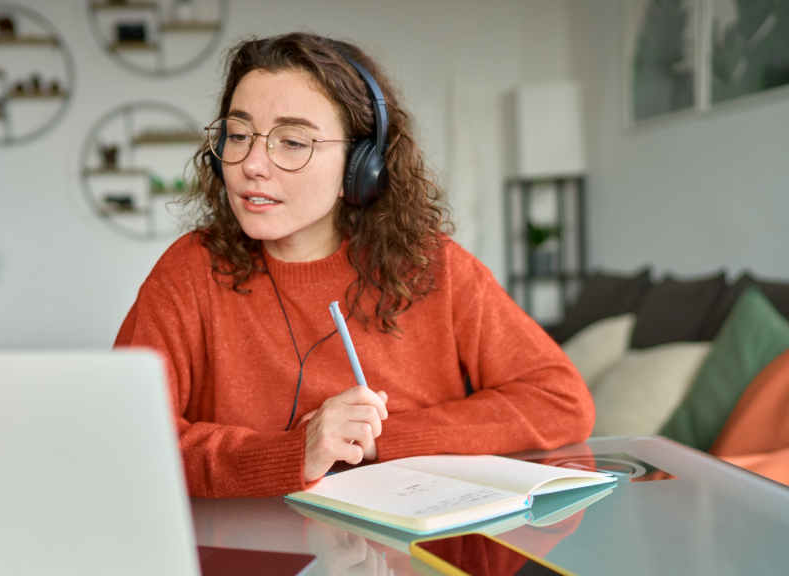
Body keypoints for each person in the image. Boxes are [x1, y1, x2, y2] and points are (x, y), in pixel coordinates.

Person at [114, 32, 593, 499]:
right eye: (238, 135)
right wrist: (290, 454)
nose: (252, 163)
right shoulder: (190, 270)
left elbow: (560, 400)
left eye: (293, 142)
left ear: (358, 167)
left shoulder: (433, 266)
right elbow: (124, 442)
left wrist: (379, 438)